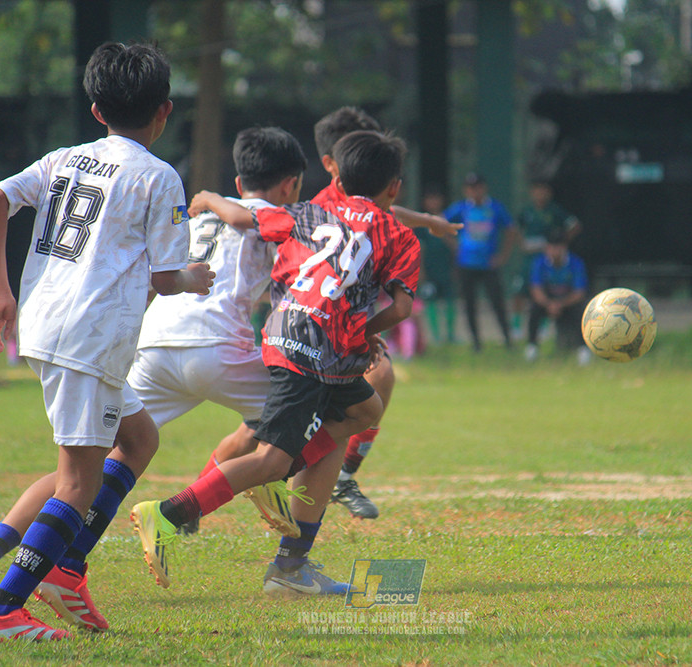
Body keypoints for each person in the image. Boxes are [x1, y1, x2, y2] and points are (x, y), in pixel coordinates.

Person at [0, 42, 214, 642]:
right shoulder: (157, 176)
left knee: (140, 436)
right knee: (77, 481)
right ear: (164, 111)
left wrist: (0, 293)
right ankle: (3, 610)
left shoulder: (65, 158)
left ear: (97, 110)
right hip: (91, 337)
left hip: (50, 323)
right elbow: (168, 279)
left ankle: (65, 569)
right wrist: (196, 277)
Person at [129, 129, 420, 595]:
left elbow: (245, 217)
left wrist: (204, 196)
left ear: (337, 178)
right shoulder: (400, 235)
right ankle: (170, 514)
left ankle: (288, 559)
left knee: (364, 411)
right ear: (395, 187)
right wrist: (366, 332)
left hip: (288, 335)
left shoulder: (310, 212)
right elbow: (402, 309)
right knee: (272, 456)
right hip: (315, 347)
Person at [445, 172, 519, 351]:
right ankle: (476, 342)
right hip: (466, 263)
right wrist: (456, 247)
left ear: (483, 188)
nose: (474, 191)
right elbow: (442, 223)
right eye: (470, 188)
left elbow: (510, 229)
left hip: (488, 264)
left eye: (477, 187)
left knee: (497, 302)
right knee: (469, 304)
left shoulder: (494, 207)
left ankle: (507, 339)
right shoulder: (461, 208)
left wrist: (503, 256)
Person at [512, 180, 582, 338]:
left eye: (543, 190)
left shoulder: (554, 211)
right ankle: (516, 327)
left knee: (546, 291)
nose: (540, 194)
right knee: (519, 292)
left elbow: (575, 225)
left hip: (548, 260)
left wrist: (559, 243)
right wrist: (522, 243)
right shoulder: (527, 211)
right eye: (536, 190)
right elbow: (515, 228)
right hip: (529, 260)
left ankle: (542, 327)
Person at [524, 228, 590, 364]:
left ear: (564, 247)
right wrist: (549, 304)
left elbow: (579, 292)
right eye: (551, 247)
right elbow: (536, 289)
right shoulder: (540, 263)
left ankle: (583, 350)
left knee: (583, 310)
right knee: (534, 308)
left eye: (557, 247)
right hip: (547, 302)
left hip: (567, 303)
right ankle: (532, 347)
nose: (554, 251)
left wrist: (560, 304)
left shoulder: (575, 263)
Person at [415, 186, 458, 345]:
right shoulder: (421, 224)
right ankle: (436, 336)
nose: (433, 202)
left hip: (446, 268)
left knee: (450, 300)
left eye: (436, 198)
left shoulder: (448, 220)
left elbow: (455, 246)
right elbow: (419, 249)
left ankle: (451, 334)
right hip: (430, 269)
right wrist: (421, 272)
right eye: (430, 199)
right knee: (430, 301)